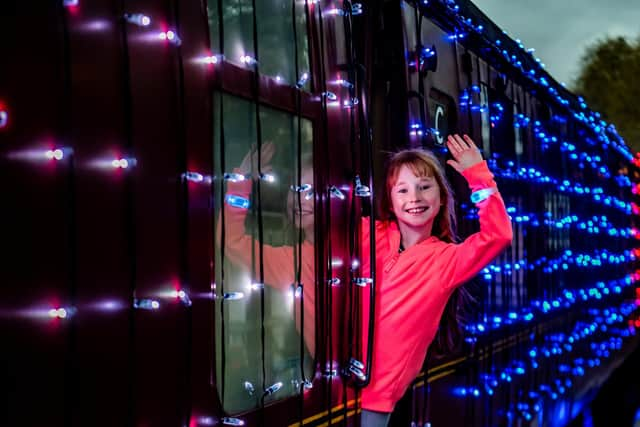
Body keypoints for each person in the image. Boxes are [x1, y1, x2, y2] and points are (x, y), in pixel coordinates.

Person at [359, 134, 513, 426]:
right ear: (390, 203)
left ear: (441, 198)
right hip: (332, 384)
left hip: (376, 399)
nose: (414, 198)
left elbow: (499, 235)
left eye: (424, 187)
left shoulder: (448, 260)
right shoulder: (371, 234)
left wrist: (478, 174)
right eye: (402, 190)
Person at [220, 142, 317, 357]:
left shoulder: (363, 240)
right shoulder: (292, 262)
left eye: (311, 192)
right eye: (296, 188)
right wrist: (240, 182)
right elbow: (231, 240)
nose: (300, 199)